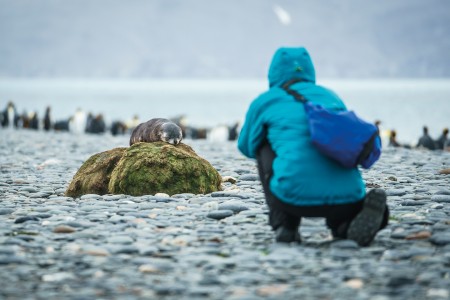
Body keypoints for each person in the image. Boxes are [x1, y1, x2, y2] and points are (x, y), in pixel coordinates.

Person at [238, 47, 388, 246]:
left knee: (262, 142)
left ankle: (285, 224)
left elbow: (247, 146)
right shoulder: (330, 97)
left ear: (274, 71)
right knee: (331, 140)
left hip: (291, 198)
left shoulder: (266, 101)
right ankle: (345, 225)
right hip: (347, 198)